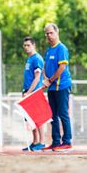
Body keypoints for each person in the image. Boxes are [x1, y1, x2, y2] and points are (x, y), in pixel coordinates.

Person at [42, 23, 73, 151]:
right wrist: (45, 78)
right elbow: (45, 66)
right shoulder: (49, 50)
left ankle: (67, 141)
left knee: (63, 114)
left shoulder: (61, 48)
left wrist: (50, 80)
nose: (49, 35)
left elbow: (62, 67)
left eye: (51, 33)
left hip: (62, 86)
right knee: (52, 115)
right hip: (51, 88)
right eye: (47, 33)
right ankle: (55, 142)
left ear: (57, 32)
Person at [21, 36, 45, 151]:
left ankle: (42, 142)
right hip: (27, 91)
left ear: (34, 45)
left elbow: (37, 77)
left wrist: (29, 92)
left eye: (28, 45)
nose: (26, 47)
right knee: (30, 118)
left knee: (38, 117)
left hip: (34, 92)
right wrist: (25, 92)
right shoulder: (29, 59)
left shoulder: (37, 58)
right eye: (25, 45)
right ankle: (35, 142)